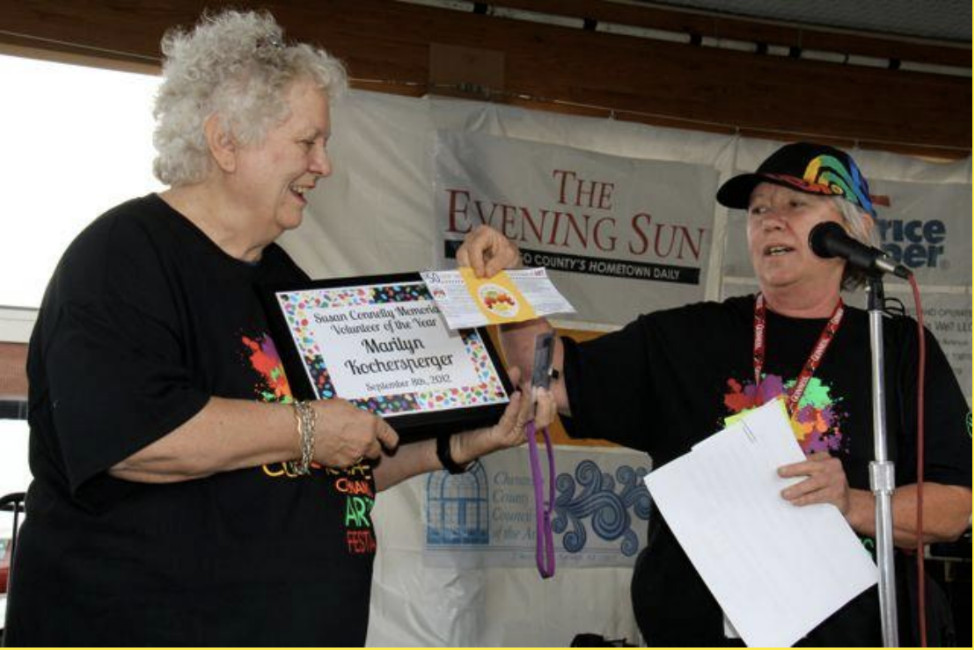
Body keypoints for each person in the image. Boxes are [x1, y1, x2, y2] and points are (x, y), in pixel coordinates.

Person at [4, 9, 553, 646]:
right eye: (306, 142)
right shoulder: (121, 258)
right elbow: (134, 438)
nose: (325, 165)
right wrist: (310, 427)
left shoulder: (285, 282)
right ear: (225, 142)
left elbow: (335, 464)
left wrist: (458, 447)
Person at [458, 141, 972, 646]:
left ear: (848, 228)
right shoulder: (685, 337)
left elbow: (954, 508)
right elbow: (552, 376)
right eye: (758, 210)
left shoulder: (897, 347)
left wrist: (854, 504)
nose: (771, 219)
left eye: (795, 204)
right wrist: (506, 287)